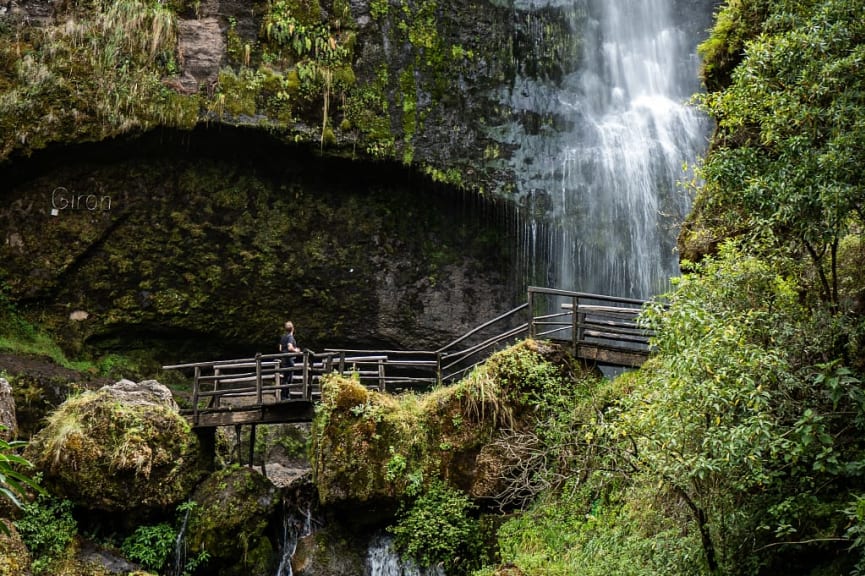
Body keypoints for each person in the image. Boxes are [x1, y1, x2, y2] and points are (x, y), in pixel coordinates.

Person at [278, 321, 300, 400]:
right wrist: (296, 350)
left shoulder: (283, 337)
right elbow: (289, 347)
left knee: (285, 378)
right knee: (289, 378)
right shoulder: (290, 337)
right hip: (289, 359)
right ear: (292, 329)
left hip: (283, 359)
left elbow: (280, 348)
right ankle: (286, 397)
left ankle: (284, 396)